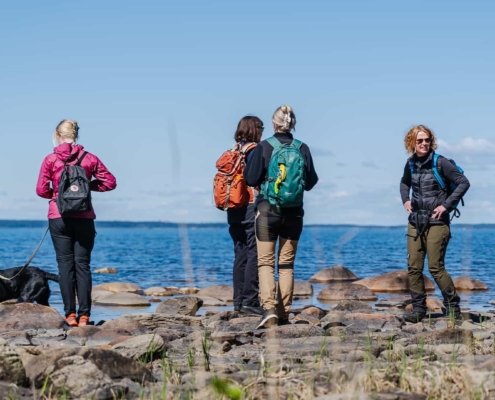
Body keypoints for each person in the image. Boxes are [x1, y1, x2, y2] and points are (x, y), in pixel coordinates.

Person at [36, 120, 116, 327]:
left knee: (65, 266)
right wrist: (87, 187)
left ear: (57, 135)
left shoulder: (50, 159)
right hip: (84, 217)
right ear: (76, 135)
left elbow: (40, 189)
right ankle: (85, 317)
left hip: (58, 216)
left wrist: (56, 194)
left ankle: (69, 315)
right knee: (83, 266)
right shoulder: (89, 158)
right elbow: (110, 182)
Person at [244, 105, 318, 328]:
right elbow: (311, 181)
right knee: (286, 265)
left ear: (274, 123)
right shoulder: (302, 148)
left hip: (268, 211)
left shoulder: (264, 147)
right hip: (294, 213)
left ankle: (268, 310)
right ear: (292, 124)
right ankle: (284, 312)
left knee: (265, 263)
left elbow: (250, 178)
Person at [400, 125, 470, 323]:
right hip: (415, 222)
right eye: (419, 140)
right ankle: (419, 310)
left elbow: (464, 182)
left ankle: (453, 307)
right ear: (412, 142)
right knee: (413, 267)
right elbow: (404, 183)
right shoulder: (411, 164)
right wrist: (405, 199)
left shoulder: (441, 163)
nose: (424, 144)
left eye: (427, 140)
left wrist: (446, 206)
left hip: (437, 223)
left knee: (435, 267)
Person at [228, 116, 264, 315]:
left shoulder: (233, 150)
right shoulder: (253, 150)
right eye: (261, 128)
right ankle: (251, 300)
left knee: (239, 253)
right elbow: (255, 177)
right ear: (255, 129)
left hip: (233, 206)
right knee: (254, 252)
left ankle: (238, 302)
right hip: (250, 204)